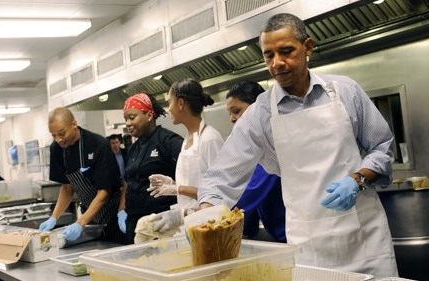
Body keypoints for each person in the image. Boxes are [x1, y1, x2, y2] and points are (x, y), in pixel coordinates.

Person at [198, 13, 398, 278]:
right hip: (308, 247)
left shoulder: (345, 92)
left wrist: (358, 178)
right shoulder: (261, 114)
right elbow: (221, 176)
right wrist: (203, 217)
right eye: (269, 55)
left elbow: (383, 147)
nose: (277, 63)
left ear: (308, 47)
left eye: (286, 51)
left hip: (364, 240)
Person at [139, 79, 224, 240]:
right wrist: (172, 184)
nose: (168, 108)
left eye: (169, 102)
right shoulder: (187, 140)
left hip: (210, 228)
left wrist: (178, 189)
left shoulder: (210, 138)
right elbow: (198, 182)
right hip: (191, 226)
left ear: (181, 103)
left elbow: (219, 194)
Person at [39, 107, 125, 244]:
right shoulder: (56, 149)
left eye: (61, 133)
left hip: (112, 214)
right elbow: (67, 187)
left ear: (74, 124)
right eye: (53, 135)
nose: (58, 140)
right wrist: (54, 217)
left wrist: (80, 222)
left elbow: (104, 192)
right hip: (90, 217)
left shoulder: (98, 144)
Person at [118, 92, 183, 244]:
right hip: (134, 220)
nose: (127, 123)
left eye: (132, 117)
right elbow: (128, 182)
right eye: (125, 119)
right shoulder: (134, 148)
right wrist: (122, 210)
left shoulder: (168, 141)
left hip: (159, 221)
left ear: (148, 115)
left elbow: (188, 175)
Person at [226, 80, 286, 242]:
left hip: (291, 233)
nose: (232, 119)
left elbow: (250, 193)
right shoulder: (252, 144)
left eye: (236, 111)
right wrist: (247, 230)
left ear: (257, 107)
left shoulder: (272, 142)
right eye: (230, 113)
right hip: (277, 232)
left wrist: (207, 213)